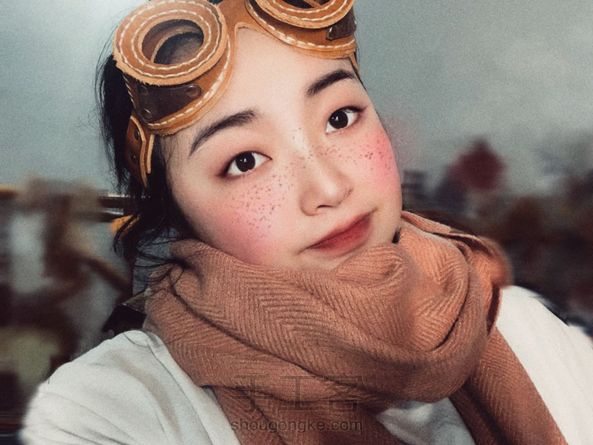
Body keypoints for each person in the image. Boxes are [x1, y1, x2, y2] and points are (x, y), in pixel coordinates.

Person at [21, 1, 593, 444]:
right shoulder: (112, 408)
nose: (329, 188)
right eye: (245, 161)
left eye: (340, 117)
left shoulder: (522, 328)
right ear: (179, 211)